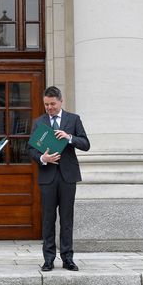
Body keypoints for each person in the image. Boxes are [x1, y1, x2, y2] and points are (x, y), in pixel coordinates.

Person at [28, 86, 90, 271]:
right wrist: (42, 158)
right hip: (47, 176)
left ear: (61, 101)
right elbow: (30, 149)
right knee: (48, 220)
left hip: (67, 177)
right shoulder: (39, 122)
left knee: (66, 219)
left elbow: (86, 144)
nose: (49, 108)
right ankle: (48, 259)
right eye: (46, 104)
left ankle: (67, 258)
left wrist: (69, 137)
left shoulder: (73, 119)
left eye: (52, 104)